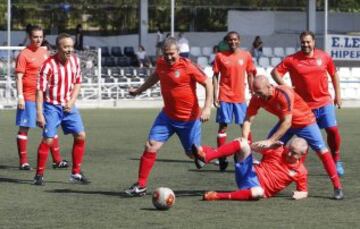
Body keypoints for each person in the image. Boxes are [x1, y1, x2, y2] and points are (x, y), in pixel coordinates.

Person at [125, 37, 213, 197]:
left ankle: (217, 154)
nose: (169, 57)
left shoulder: (188, 66)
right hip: (167, 117)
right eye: (166, 54)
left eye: (172, 54)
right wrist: (139, 90)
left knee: (193, 155)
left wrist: (207, 107)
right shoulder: (161, 63)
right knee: (151, 145)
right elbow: (155, 77)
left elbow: (208, 82)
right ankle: (141, 185)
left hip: (189, 119)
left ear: (178, 52)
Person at [241, 75, 343, 200]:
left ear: (269, 87)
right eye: (254, 92)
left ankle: (337, 187)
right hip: (285, 122)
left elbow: (287, 123)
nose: (257, 96)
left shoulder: (284, 93)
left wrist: (270, 141)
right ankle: (261, 183)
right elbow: (247, 119)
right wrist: (245, 139)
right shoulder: (256, 98)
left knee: (322, 151)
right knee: (268, 150)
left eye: (259, 92)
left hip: (305, 122)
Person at [271, 31, 344, 176]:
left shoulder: (324, 57)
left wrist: (338, 95)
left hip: (324, 102)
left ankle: (336, 159)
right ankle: (291, 166)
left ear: (314, 42)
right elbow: (275, 72)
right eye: (303, 42)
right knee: (303, 138)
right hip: (303, 107)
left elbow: (334, 74)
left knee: (332, 129)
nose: (306, 44)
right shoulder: (292, 59)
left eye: (308, 42)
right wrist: (285, 86)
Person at [33, 33, 89, 185]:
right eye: (66, 47)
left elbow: (77, 82)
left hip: (68, 106)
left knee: (81, 136)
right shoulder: (48, 65)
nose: (69, 49)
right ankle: (39, 175)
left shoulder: (75, 61)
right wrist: (39, 114)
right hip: (51, 107)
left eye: (71, 46)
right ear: (58, 48)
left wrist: (72, 101)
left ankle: (76, 173)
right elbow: (39, 91)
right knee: (49, 139)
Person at [15, 25, 67, 170]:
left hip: (45, 97)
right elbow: (18, 78)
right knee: (25, 128)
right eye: (35, 37)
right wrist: (20, 97)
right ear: (30, 37)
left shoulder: (45, 52)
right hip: (29, 96)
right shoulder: (23, 54)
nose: (38, 39)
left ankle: (57, 161)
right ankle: (23, 162)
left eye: (40, 37)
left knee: (50, 126)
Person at [192, 137, 309, 201]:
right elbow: (252, 147)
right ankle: (206, 157)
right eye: (289, 149)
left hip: (255, 188)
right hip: (249, 172)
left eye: (294, 153)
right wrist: (269, 146)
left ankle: (217, 196)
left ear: (302, 155)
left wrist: (300, 195)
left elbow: (303, 191)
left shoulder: (301, 171)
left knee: (258, 192)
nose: (289, 154)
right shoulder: (278, 150)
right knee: (242, 142)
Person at [212, 31, 256, 171]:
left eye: (235, 39)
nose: (233, 42)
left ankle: (249, 155)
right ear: (227, 41)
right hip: (224, 96)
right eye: (230, 40)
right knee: (223, 126)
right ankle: (221, 157)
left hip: (240, 97)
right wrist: (215, 95)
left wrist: (252, 89)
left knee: (245, 126)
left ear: (239, 40)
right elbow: (215, 76)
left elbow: (250, 73)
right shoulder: (220, 56)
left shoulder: (246, 55)